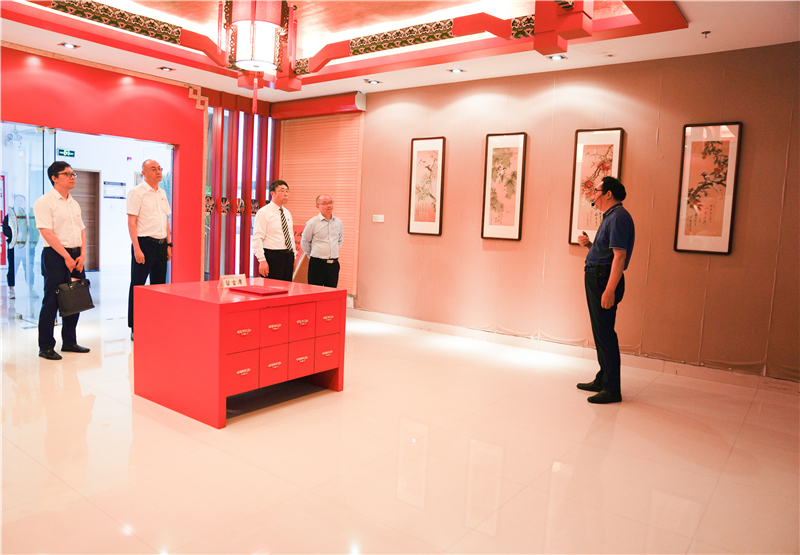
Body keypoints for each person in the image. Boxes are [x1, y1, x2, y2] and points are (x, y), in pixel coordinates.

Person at [576, 176, 635, 404]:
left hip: (603, 281)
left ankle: (611, 389)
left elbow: (619, 257)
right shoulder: (611, 216)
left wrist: (610, 290)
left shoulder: (618, 217)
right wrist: (590, 246)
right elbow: (608, 254)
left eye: (597, 191)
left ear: (608, 193)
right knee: (600, 331)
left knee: (605, 333)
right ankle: (603, 379)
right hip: (599, 277)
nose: (594, 195)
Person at [34, 162, 90, 360]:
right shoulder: (45, 202)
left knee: (75, 299)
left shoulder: (73, 203)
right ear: (54, 178)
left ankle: (69, 342)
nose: (72, 177)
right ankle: (46, 346)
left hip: (76, 256)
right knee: (51, 301)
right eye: (67, 174)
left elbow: (82, 231)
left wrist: (82, 255)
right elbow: (47, 232)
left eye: (73, 174)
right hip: (56, 255)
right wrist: (66, 256)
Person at [127, 159, 172, 340]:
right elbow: (131, 223)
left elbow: (165, 220)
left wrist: (168, 245)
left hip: (161, 245)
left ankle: (155, 323)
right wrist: (137, 249)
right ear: (144, 173)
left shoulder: (162, 192)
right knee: (137, 286)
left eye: (159, 168)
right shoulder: (137, 192)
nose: (158, 171)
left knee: (159, 287)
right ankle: (135, 326)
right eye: (153, 169)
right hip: (144, 244)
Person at [251, 180, 295, 282]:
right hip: (272, 256)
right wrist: (262, 260)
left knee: (287, 288)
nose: (285, 194)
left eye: (287, 191)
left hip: (288, 256)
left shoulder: (287, 212)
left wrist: (294, 256)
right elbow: (257, 238)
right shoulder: (264, 212)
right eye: (282, 191)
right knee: (272, 288)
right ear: (272, 193)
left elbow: (290, 236)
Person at [301, 195, 344, 288]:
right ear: (317, 206)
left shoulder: (338, 222)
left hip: (333, 264)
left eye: (330, 202)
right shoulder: (312, 223)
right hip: (317, 264)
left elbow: (339, 240)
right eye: (324, 203)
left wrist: (330, 250)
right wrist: (312, 254)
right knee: (314, 291)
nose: (329, 205)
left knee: (331, 292)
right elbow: (305, 242)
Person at [3, 200, 15, 299]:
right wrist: (14, 236)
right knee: (12, 268)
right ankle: (11, 289)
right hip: (12, 246)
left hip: (25, 247)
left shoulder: (26, 216)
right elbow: (5, 230)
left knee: (29, 268)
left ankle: (31, 288)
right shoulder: (9, 217)